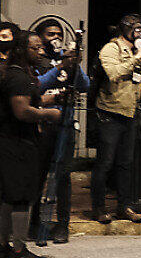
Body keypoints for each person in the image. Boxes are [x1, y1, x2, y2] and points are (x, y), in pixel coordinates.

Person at [92, 14, 141, 224]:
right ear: (126, 30)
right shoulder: (111, 49)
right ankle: (98, 209)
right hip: (109, 113)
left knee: (125, 164)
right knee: (105, 163)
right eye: (137, 29)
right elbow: (113, 73)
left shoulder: (135, 51)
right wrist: (137, 56)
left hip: (129, 113)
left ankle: (124, 207)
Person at [0, 30, 62, 258]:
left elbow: (30, 99)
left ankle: (4, 247)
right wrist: (49, 114)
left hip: (17, 142)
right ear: (20, 50)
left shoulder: (21, 75)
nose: (40, 51)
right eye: (35, 48)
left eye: (40, 47)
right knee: (20, 197)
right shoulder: (17, 77)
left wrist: (54, 98)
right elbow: (22, 111)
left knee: (10, 196)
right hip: (16, 143)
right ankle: (17, 249)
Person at [29, 23, 90, 245]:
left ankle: (62, 225)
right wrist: (59, 67)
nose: (55, 38)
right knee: (38, 176)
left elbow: (84, 86)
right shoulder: (35, 62)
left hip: (64, 126)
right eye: (50, 34)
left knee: (63, 177)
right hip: (41, 125)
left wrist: (75, 66)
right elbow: (37, 87)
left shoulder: (67, 61)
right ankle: (35, 224)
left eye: (58, 34)